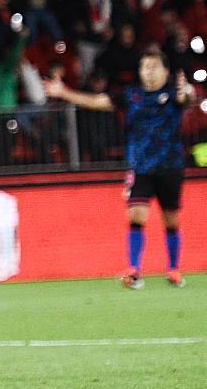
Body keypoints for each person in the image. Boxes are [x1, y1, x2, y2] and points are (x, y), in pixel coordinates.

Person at [47, 48, 195, 287]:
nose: (149, 72)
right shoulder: (131, 96)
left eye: (154, 67)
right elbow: (97, 101)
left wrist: (186, 90)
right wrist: (64, 92)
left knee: (171, 221)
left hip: (170, 167)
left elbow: (186, 98)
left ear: (165, 71)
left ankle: (174, 270)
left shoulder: (172, 94)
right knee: (136, 215)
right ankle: (134, 270)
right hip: (140, 168)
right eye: (145, 67)